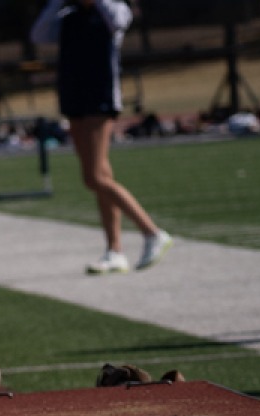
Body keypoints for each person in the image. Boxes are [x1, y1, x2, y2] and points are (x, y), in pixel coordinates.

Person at [31, 0, 170, 275]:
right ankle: (114, 250)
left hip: (100, 97)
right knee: (101, 176)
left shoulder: (112, 10)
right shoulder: (67, 16)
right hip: (73, 97)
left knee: (93, 177)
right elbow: (38, 35)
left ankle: (152, 232)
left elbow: (120, 20)